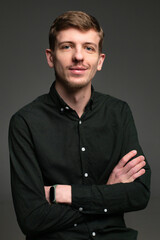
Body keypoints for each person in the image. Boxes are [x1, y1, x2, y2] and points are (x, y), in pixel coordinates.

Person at [9, 11, 151, 240]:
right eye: (66, 47)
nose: (78, 57)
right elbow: (32, 218)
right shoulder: (24, 123)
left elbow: (140, 195)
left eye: (88, 48)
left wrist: (63, 193)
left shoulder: (119, 112)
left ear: (100, 60)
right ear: (50, 57)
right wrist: (108, 193)